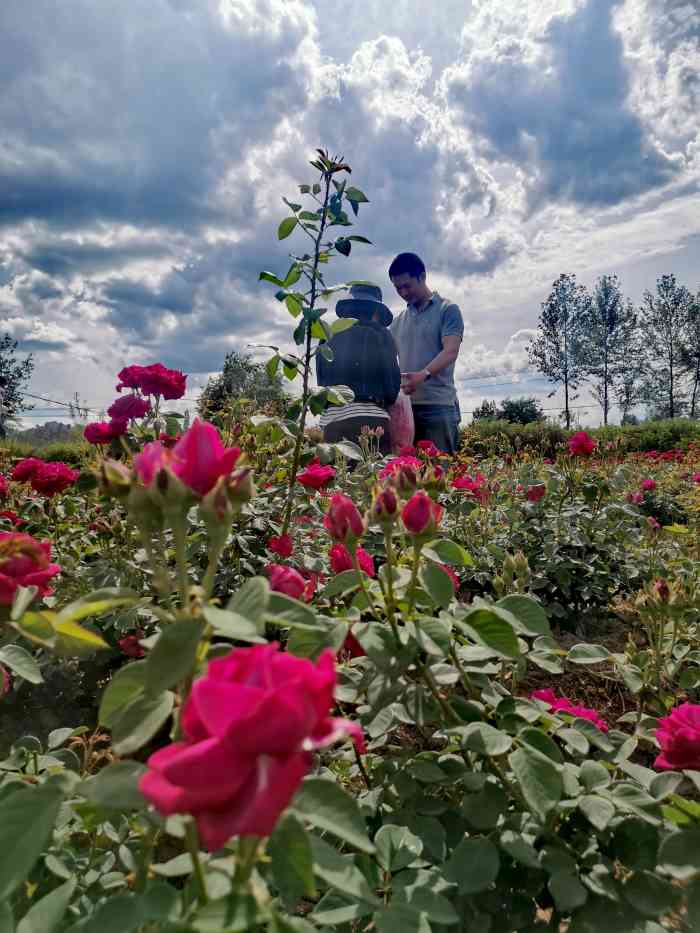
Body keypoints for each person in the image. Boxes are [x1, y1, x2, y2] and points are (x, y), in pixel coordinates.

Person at [388, 252, 464, 453]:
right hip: (405, 410)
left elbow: (450, 352)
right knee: (406, 477)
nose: (403, 292)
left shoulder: (447, 310)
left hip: (438, 407)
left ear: (422, 277)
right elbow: (386, 361)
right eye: (397, 288)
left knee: (440, 476)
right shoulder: (397, 322)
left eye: (407, 285)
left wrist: (423, 375)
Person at [316, 284, 400, 454]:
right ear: (375, 311)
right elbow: (392, 391)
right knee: (373, 478)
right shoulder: (381, 334)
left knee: (340, 477)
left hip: (333, 424)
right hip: (371, 422)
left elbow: (322, 384)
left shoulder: (327, 335)